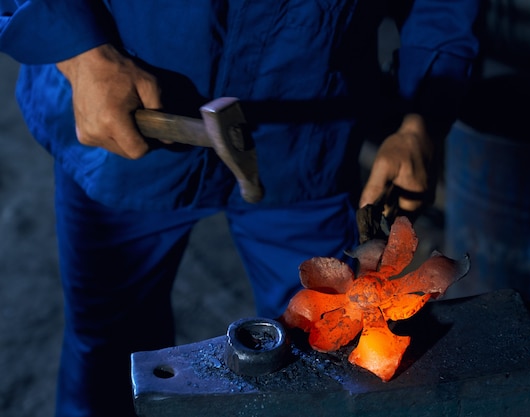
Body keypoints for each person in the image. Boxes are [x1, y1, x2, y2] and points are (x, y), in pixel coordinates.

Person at [0, 1, 480, 416]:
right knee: (110, 350)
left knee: (335, 348)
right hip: (125, 120)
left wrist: (423, 113)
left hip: (305, 141)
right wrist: (80, 53)